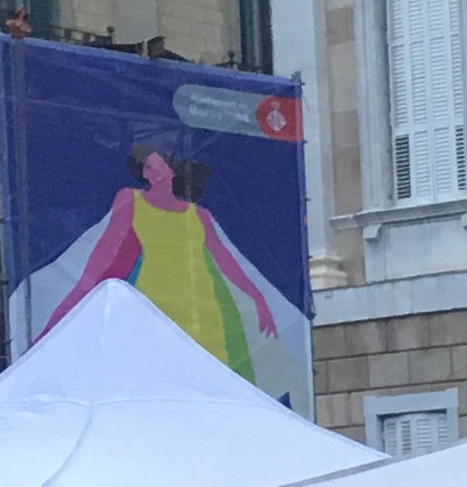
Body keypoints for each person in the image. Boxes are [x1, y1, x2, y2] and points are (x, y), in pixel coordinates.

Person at [50, 148, 290, 383]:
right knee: (157, 377)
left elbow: (224, 260)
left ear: (172, 172)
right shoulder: (130, 200)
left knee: (208, 383)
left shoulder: (198, 215)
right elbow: (103, 255)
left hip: (202, 312)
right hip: (154, 305)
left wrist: (257, 297)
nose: (154, 173)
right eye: (148, 168)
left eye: (159, 166)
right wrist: (63, 314)